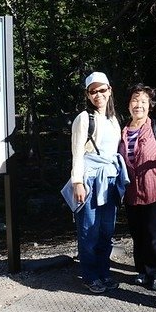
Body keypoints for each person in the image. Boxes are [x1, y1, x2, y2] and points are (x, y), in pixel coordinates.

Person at [68, 71, 128, 294]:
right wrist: (77, 182)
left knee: (106, 230)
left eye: (102, 90)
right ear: (87, 94)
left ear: (110, 90)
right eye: (93, 92)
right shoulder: (84, 118)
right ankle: (90, 275)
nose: (98, 95)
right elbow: (76, 152)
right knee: (88, 230)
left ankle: (104, 271)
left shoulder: (113, 119)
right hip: (90, 180)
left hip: (110, 180)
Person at [118, 84, 156, 291]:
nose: (139, 105)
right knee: (137, 235)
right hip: (131, 194)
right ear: (128, 104)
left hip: (155, 192)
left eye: (143, 101)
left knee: (153, 235)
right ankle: (142, 271)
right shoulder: (123, 131)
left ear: (150, 106)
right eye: (135, 100)